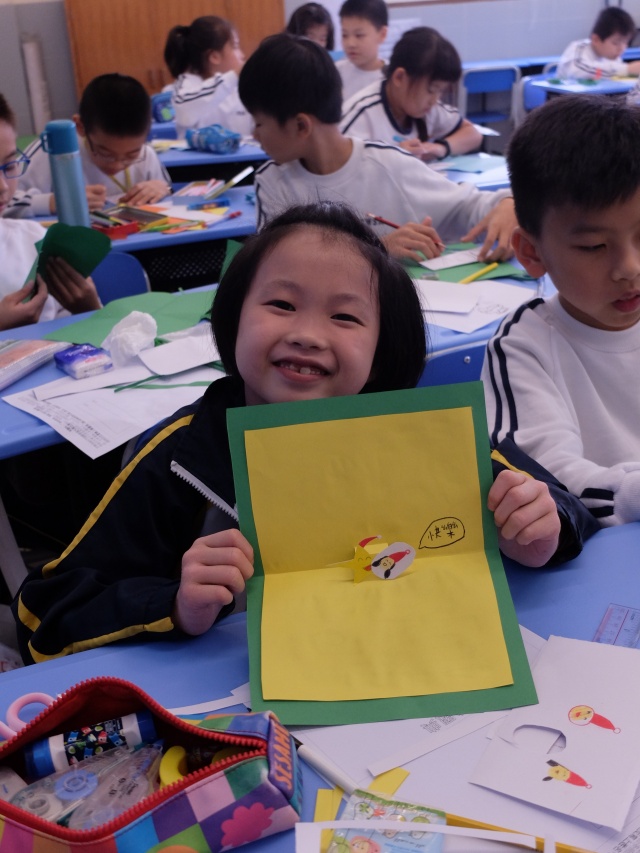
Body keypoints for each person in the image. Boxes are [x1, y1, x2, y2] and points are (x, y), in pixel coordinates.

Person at [12, 202, 591, 664]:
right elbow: (44, 615)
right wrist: (174, 604)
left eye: (345, 316)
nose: (308, 334)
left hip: (402, 677)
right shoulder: (183, 458)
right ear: (234, 318)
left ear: (381, 349)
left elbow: (566, 507)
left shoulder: (417, 437)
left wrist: (540, 533)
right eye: (282, 304)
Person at [482, 94, 640, 528]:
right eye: (594, 246)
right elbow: (546, 483)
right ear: (532, 253)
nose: (629, 268)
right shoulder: (524, 347)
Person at [239, 33, 516, 263]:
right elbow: (279, 265)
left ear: (301, 126)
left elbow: (468, 205)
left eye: (259, 123)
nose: (254, 134)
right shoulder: (273, 183)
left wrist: (507, 204)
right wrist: (376, 249)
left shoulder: (389, 164)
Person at [6, 75, 170, 219]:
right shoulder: (53, 150)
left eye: (131, 156)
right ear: (80, 126)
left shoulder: (146, 154)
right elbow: (5, 201)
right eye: (105, 154)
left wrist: (162, 187)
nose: (117, 165)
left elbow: (168, 191)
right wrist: (54, 202)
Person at [0, 93, 100, 328]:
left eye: (9, 165)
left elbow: (90, 340)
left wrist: (89, 310)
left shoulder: (36, 241)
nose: (3, 186)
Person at [341, 27, 481, 162]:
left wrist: (441, 148)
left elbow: (473, 134)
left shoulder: (427, 110)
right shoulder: (362, 114)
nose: (434, 100)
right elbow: (336, 165)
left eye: (440, 91)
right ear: (399, 77)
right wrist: (393, 157)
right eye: (431, 90)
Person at [164, 15, 252, 139]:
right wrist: (235, 75)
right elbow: (183, 110)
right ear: (214, 57)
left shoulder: (238, 87)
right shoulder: (187, 84)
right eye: (235, 47)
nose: (242, 55)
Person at [557, 7, 640, 80]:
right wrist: (627, 69)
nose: (621, 49)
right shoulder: (578, 49)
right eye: (615, 43)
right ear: (596, 39)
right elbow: (578, 71)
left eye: (625, 43)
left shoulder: (612, 57)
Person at [335, 0, 388, 101]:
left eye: (359, 35)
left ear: (382, 34)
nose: (350, 44)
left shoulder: (390, 79)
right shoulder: (335, 73)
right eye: (344, 35)